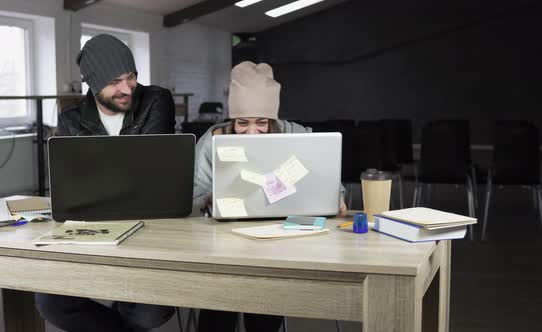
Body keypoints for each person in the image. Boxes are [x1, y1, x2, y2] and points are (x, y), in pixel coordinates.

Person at [35, 34, 175, 332]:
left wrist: (99, 179)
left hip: (148, 225)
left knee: (148, 313)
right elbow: (69, 185)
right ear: (92, 83)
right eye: (115, 82)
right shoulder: (70, 119)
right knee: (50, 303)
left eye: (131, 77)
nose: (127, 88)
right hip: (93, 226)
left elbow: (149, 172)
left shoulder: (156, 100)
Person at [193, 61, 347, 332]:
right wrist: (211, 199)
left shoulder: (295, 135)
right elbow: (192, 197)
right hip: (221, 246)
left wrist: (338, 196)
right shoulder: (212, 140)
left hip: (279, 240)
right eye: (242, 123)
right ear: (232, 120)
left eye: (261, 123)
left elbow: (330, 179)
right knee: (219, 301)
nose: (252, 131)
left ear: (272, 120)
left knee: (264, 300)